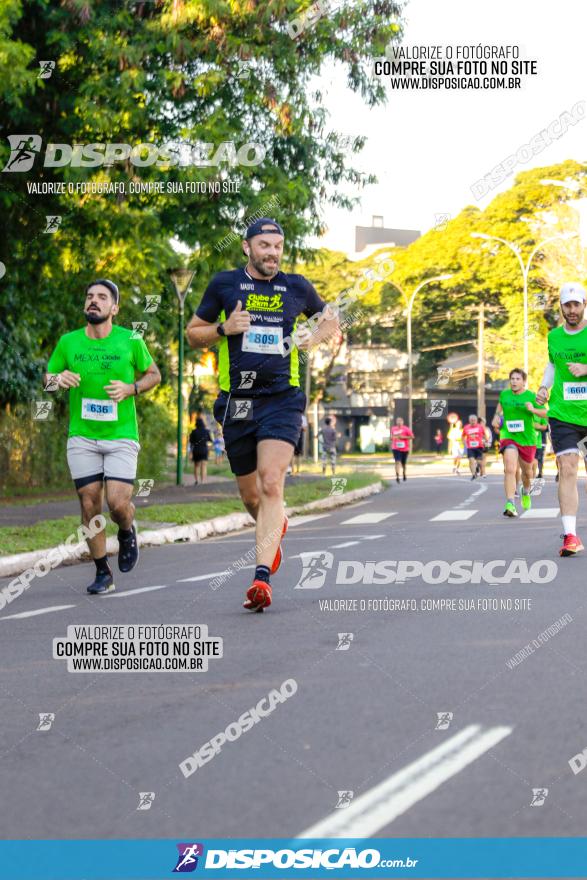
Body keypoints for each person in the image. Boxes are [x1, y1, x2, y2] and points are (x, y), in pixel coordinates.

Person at [187, 218, 338, 611]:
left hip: (281, 399)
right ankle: (275, 524)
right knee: (252, 495)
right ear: (246, 247)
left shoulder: (297, 287)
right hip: (237, 401)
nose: (272, 252)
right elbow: (192, 332)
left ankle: (261, 579)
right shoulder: (224, 284)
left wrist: (314, 337)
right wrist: (223, 328)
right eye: (264, 245)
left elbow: (332, 318)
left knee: (272, 483)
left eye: (277, 246)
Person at [44, 279, 161, 594]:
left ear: (115, 308)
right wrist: (57, 378)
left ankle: (126, 528)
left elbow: (154, 375)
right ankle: (102, 572)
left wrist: (130, 388)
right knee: (88, 502)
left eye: (102, 297)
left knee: (117, 503)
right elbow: (47, 380)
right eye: (89, 296)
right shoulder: (69, 342)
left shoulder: (130, 340)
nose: (93, 301)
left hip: (121, 435)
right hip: (82, 436)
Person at [536, 282, 587, 555]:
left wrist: (585, 367)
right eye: (567, 305)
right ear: (561, 307)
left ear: (584, 305)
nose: (572, 310)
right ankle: (570, 536)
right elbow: (553, 365)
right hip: (562, 415)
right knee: (567, 468)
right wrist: (544, 386)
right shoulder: (554, 336)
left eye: (576, 304)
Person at [492, 368, 545, 518]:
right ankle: (510, 503)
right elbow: (500, 405)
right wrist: (497, 416)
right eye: (512, 379)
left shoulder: (531, 396)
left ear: (523, 382)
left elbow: (547, 413)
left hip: (527, 439)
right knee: (509, 468)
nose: (514, 381)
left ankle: (526, 490)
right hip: (509, 436)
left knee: (527, 472)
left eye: (517, 379)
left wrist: (533, 409)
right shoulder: (504, 394)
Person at [189, 413, 211, 484]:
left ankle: (196, 480)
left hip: (196, 450)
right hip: (204, 450)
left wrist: (190, 453)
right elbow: (210, 441)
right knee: (204, 466)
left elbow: (191, 443)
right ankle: (203, 481)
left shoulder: (193, 432)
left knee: (196, 466)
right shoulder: (206, 431)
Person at [390, 416, 414, 482]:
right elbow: (391, 437)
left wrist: (403, 437)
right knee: (397, 462)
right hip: (396, 448)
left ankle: (404, 473)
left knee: (403, 463)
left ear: (402, 422)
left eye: (400, 421)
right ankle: (397, 475)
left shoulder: (406, 429)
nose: (399, 422)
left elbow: (412, 437)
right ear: (396, 422)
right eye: (398, 421)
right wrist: (394, 438)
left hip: (405, 449)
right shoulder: (393, 429)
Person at [462, 414, 485, 480]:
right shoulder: (466, 427)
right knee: (471, 460)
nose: (473, 421)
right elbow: (463, 436)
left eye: (474, 420)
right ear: (469, 421)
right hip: (470, 447)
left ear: (476, 420)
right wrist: (464, 442)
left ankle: (477, 467)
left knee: (479, 461)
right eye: (471, 420)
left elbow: (485, 434)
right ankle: (473, 474)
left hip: (479, 446)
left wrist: (486, 441)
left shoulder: (480, 427)